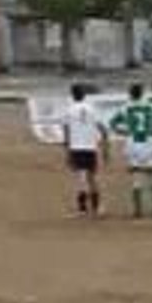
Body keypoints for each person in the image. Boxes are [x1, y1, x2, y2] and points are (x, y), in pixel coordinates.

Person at [111, 83, 152, 218]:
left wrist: (122, 131)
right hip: (149, 141)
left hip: (133, 142)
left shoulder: (126, 107)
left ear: (130, 93)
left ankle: (138, 210)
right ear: (142, 93)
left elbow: (113, 123)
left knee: (136, 175)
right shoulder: (150, 107)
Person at [61, 84, 109, 217]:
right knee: (92, 177)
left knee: (81, 178)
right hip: (90, 146)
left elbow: (66, 131)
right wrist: (105, 145)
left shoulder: (69, 111)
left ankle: (82, 209)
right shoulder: (92, 109)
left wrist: (67, 149)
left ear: (72, 95)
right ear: (84, 95)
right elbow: (103, 129)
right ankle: (97, 207)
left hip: (76, 146)